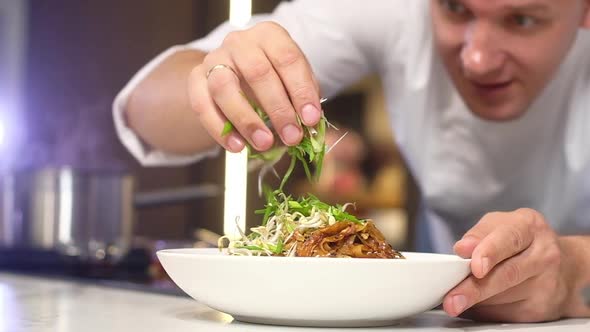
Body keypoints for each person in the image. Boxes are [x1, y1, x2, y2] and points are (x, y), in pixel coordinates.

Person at [113, 0, 590, 322]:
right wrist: (220, 75)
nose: (479, 58)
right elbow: (141, 108)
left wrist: (574, 268)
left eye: (523, 20)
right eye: (455, 7)